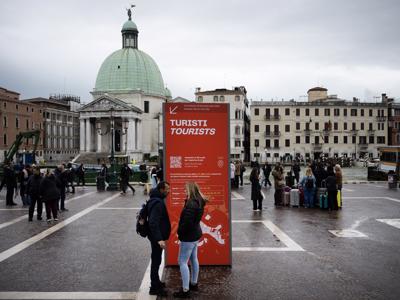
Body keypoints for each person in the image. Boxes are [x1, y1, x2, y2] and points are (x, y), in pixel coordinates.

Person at [173, 182, 208, 298]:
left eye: (185, 189)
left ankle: (185, 290)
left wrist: (179, 232)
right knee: (193, 259)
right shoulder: (199, 201)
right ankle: (193, 283)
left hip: (188, 237)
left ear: (190, 190)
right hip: (195, 234)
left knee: (182, 262)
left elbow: (186, 223)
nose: (184, 191)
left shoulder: (191, 204)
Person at [147, 181, 171, 296]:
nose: (169, 191)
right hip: (156, 237)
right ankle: (154, 288)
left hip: (155, 236)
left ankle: (156, 282)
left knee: (157, 260)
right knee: (156, 261)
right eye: (167, 189)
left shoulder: (155, 198)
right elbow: (153, 222)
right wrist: (159, 239)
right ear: (161, 189)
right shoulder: (158, 203)